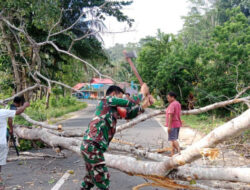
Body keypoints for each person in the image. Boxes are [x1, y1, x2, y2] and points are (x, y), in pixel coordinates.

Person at [80, 84, 150, 190]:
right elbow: (130, 102)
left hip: (90, 146)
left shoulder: (112, 108)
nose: (120, 100)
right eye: (120, 97)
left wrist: (144, 106)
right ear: (113, 94)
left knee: (90, 179)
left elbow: (128, 114)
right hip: (93, 146)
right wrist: (142, 93)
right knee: (103, 180)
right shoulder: (107, 100)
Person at [0, 101, 30, 190]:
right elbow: (16, 113)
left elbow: (10, 120)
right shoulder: (2, 112)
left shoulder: (5, 110)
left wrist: (11, 129)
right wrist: (25, 105)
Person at [165, 92, 182, 157]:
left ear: (173, 97)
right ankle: (172, 153)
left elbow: (170, 115)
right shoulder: (178, 103)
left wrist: (169, 127)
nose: (167, 99)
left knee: (173, 139)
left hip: (173, 124)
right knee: (172, 139)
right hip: (177, 124)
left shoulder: (172, 104)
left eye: (168, 98)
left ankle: (179, 151)